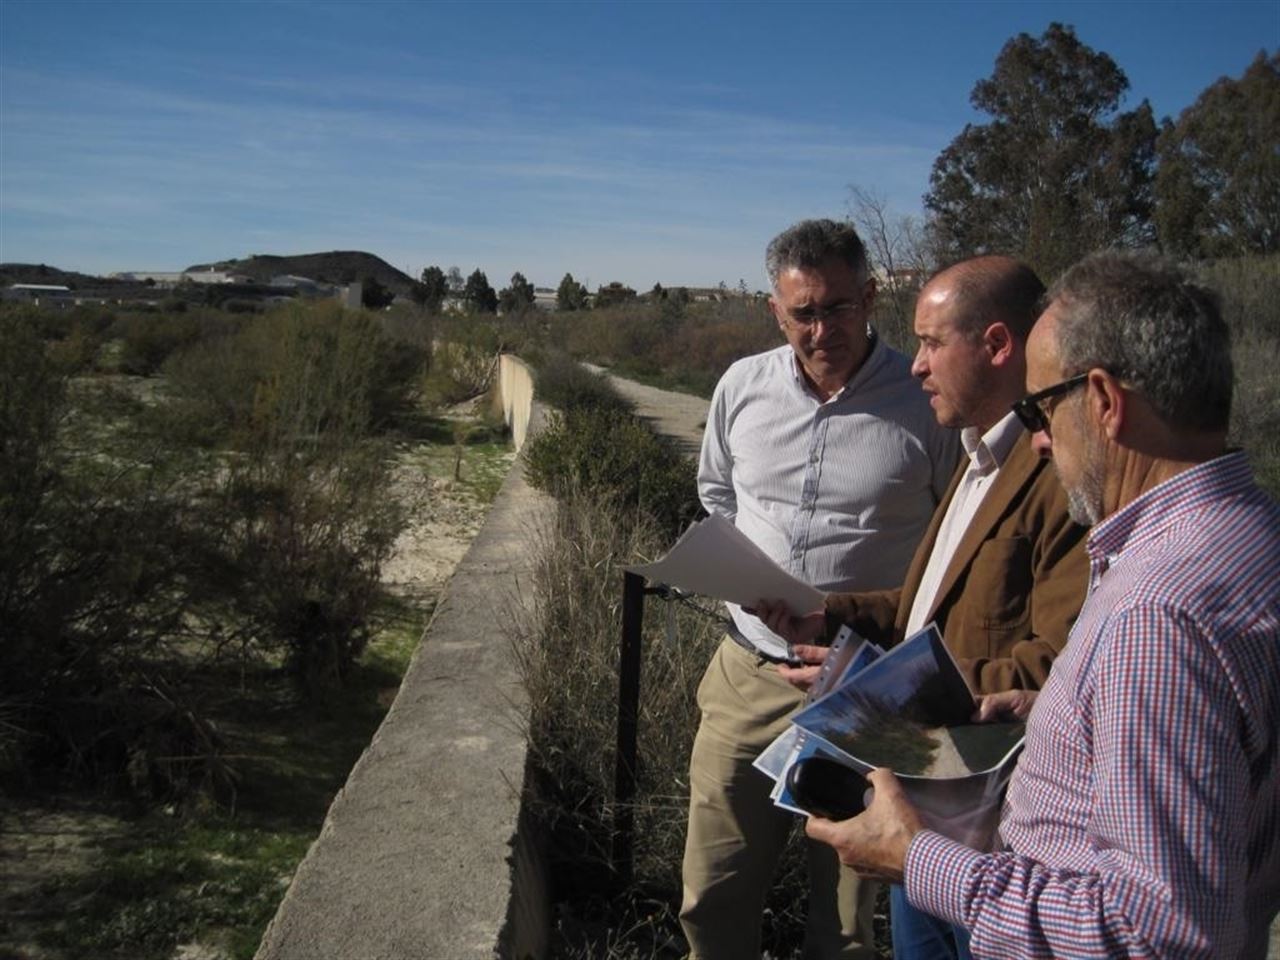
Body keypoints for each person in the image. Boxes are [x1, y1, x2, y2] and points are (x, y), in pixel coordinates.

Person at [804, 250, 1280, 959]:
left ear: (1104, 402)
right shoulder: (1245, 533)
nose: (1036, 438)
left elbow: (1156, 935)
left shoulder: (1156, 616)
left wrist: (919, 861)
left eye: (1039, 409)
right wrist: (1060, 714)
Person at [759, 255, 1090, 960]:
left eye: (933, 342)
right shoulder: (973, 457)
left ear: (998, 346)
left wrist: (888, 683)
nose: (916, 365)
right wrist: (838, 620)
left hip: (994, 830)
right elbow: (927, 608)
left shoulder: (1059, 473)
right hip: (928, 808)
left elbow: (1061, 661)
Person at [681, 219, 959, 959]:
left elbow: (958, 535)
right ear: (776, 310)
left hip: (871, 683)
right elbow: (717, 494)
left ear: (870, 298)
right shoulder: (742, 386)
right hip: (751, 671)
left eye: (838, 307)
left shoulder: (923, 396)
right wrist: (745, 578)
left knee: (846, 920)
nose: (822, 328)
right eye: (803, 312)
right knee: (713, 893)